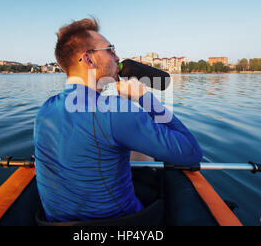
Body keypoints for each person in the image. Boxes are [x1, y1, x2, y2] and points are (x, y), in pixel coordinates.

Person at [34, 17, 203, 223]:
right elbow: (192, 153)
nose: (117, 57)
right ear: (89, 60)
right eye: (110, 50)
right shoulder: (118, 111)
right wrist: (144, 98)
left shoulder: (45, 110)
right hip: (123, 222)